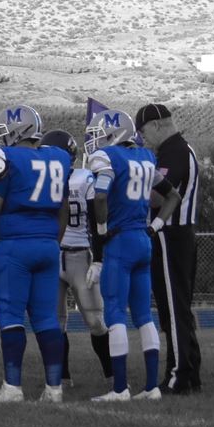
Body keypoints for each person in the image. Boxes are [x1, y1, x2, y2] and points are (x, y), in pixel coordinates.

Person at [0, 105, 70, 404]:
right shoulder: (58, 157)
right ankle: (54, 390)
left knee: (11, 316)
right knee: (46, 319)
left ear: (17, 131)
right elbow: (63, 207)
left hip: (14, 245)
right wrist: (53, 240)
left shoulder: (8, 157)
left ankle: (12, 388)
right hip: (48, 245)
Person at [85, 109, 179, 401]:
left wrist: (101, 229)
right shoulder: (146, 157)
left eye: (101, 135)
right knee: (143, 316)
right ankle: (151, 387)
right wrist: (156, 225)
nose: (97, 141)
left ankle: (120, 388)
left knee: (114, 313)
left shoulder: (109, 158)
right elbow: (173, 195)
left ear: (115, 134)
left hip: (120, 241)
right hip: (143, 239)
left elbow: (100, 196)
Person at [134, 102, 202, 394]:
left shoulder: (173, 152)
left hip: (169, 233)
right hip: (180, 233)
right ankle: (189, 371)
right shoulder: (182, 148)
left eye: (144, 131)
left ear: (157, 124)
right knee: (179, 308)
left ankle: (179, 375)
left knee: (172, 309)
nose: (142, 138)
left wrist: (131, 186)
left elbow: (156, 198)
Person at [41, 130, 112, 386]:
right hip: (52, 256)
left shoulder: (85, 179)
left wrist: (98, 259)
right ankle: (63, 377)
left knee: (95, 321)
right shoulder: (44, 180)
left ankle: (112, 373)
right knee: (55, 323)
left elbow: (97, 222)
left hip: (80, 255)